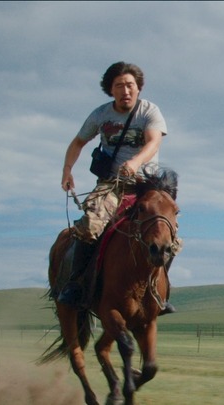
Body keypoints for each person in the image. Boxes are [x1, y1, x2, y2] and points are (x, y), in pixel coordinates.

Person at [57, 61, 175, 314]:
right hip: (111, 185)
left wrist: (136, 161)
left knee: (168, 234)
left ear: (138, 88)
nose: (126, 91)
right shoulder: (101, 115)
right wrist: (67, 170)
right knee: (89, 227)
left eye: (130, 85)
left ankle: (160, 292)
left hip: (146, 185)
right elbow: (78, 142)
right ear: (111, 90)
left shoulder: (149, 111)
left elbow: (153, 142)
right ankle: (76, 283)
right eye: (119, 86)